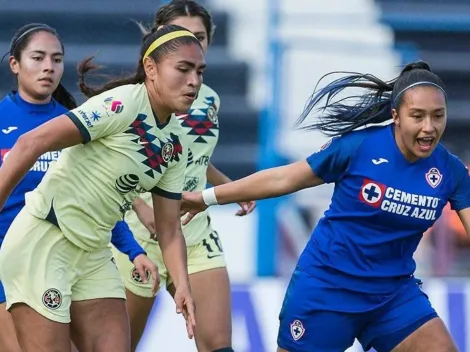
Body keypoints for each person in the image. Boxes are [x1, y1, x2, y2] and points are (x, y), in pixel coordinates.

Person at [181, 61, 470, 352]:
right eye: (417, 116)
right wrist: (206, 198)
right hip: (327, 289)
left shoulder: (451, 171)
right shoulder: (359, 148)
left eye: (438, 116)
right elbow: (284, 178)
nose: (429, 127)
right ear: (396, 116)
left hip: (392, 296)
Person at [0, 24, 204, 352]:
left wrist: (182, 285)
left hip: (94, 252)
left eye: (199, 71)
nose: (194, 81)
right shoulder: (122, 104)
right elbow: (28, 144)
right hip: (44, 242)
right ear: (150, 69)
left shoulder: (175, 144)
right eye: (183, 69)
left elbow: (168, 229)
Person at [110, 2, 256, 351]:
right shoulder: (132, 100)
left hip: (192, 232)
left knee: (219, 346)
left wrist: (226, 186)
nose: (191, 43)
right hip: (138, 235)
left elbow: (191, 156)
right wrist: (142, 210)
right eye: (180, 35)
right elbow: (106, 164)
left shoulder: (209, 100)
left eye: (199, 37)